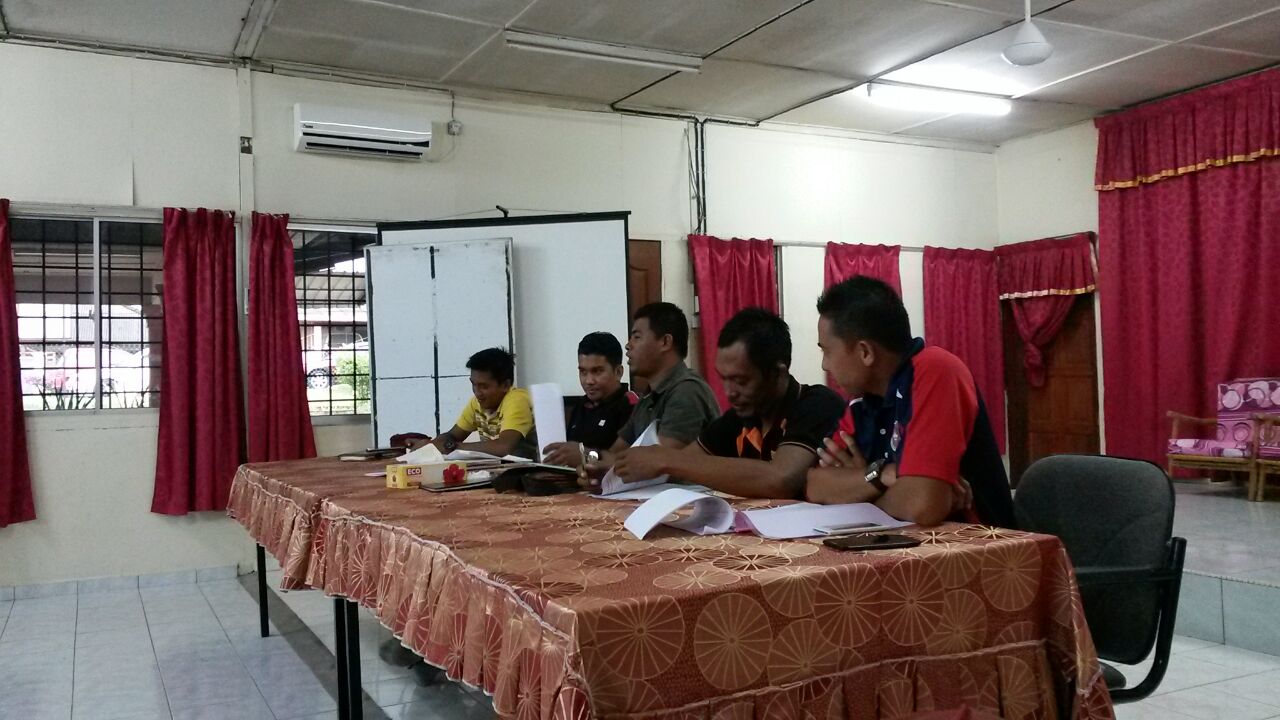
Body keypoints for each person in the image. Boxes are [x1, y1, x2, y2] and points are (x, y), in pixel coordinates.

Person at [805, 276, 1015, 527]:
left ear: (865, 352)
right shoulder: (863, 401)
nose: (825, 365)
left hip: (978, 544)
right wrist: (880, 475)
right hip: (902, 543)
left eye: (827, 351)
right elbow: (815, 485)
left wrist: (858, 489)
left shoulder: (937, 370)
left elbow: (922, 506)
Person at [612, 308, 845, 498]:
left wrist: (667, 459)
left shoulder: (816, 404)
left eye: (740, 381)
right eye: (723, 379)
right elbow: (688, 462)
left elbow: (781, 479)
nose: (729, 392)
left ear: (778, 373)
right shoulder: (739, 417)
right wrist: (612, 467)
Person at [580, 302, 719, 484]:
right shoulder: (647, 398)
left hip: (684, 498)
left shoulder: (687, 391)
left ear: (665, 342)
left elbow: (657, 466)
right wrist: (593, 465)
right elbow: (616, 453)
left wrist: (591, 458)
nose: (628, 346)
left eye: (637, 337)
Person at [391, 347, 536, 459]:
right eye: (473, 384)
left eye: (484, 386)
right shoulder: (477, 403)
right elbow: (452, 435)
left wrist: (450, 447)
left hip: (527, 475)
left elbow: (503, 447)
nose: (477, 392)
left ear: (505, 385)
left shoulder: (517, 400)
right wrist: (429, 446)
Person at [543, 332, 637, 467]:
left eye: (597, 371)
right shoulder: (581, 405)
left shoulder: (630, 406)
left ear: (618, 372)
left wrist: (585, 456)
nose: (589, 381)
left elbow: (624, 462)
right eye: (583, 372)